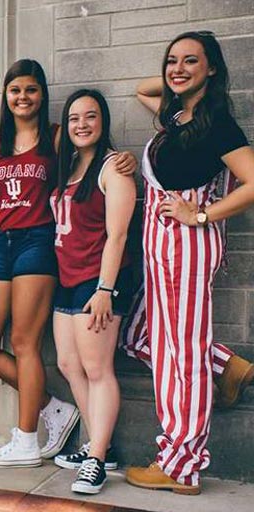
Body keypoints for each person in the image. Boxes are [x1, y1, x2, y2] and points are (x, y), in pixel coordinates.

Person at [123, 31, 254, 495]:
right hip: (160, 248)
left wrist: (198, 214)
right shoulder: (178, 116)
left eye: (191, 62)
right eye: (172, 61)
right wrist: (176, 80)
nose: (177, 69)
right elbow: (145, 89)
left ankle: (181, 464)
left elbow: (253, 182)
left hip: (187, 245)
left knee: (184, 356)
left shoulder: (218, 125)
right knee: (145, 339)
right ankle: (228, 366)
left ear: (213, 68)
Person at [0, 60, 81, 468]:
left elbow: (89, 164)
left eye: (31, 90)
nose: (22, 97)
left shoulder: (55, 138)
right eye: (15, 90)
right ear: (5, 96)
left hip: (38, 241)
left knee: (23, 343)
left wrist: (116, 163)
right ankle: (54, 407)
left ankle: (27, 441)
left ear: (42, 95)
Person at [49, 90, 136, 494]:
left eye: (91, 116)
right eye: (74, 118)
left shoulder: (113, 167)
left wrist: (105, 288)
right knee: (69, 365)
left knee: (98, 369)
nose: (82, 124)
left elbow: (117, 234)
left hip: (97, 280)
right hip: (67, 278)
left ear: (103, 122)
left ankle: (97, 460)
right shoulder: (67, 168)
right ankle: (100, 446)